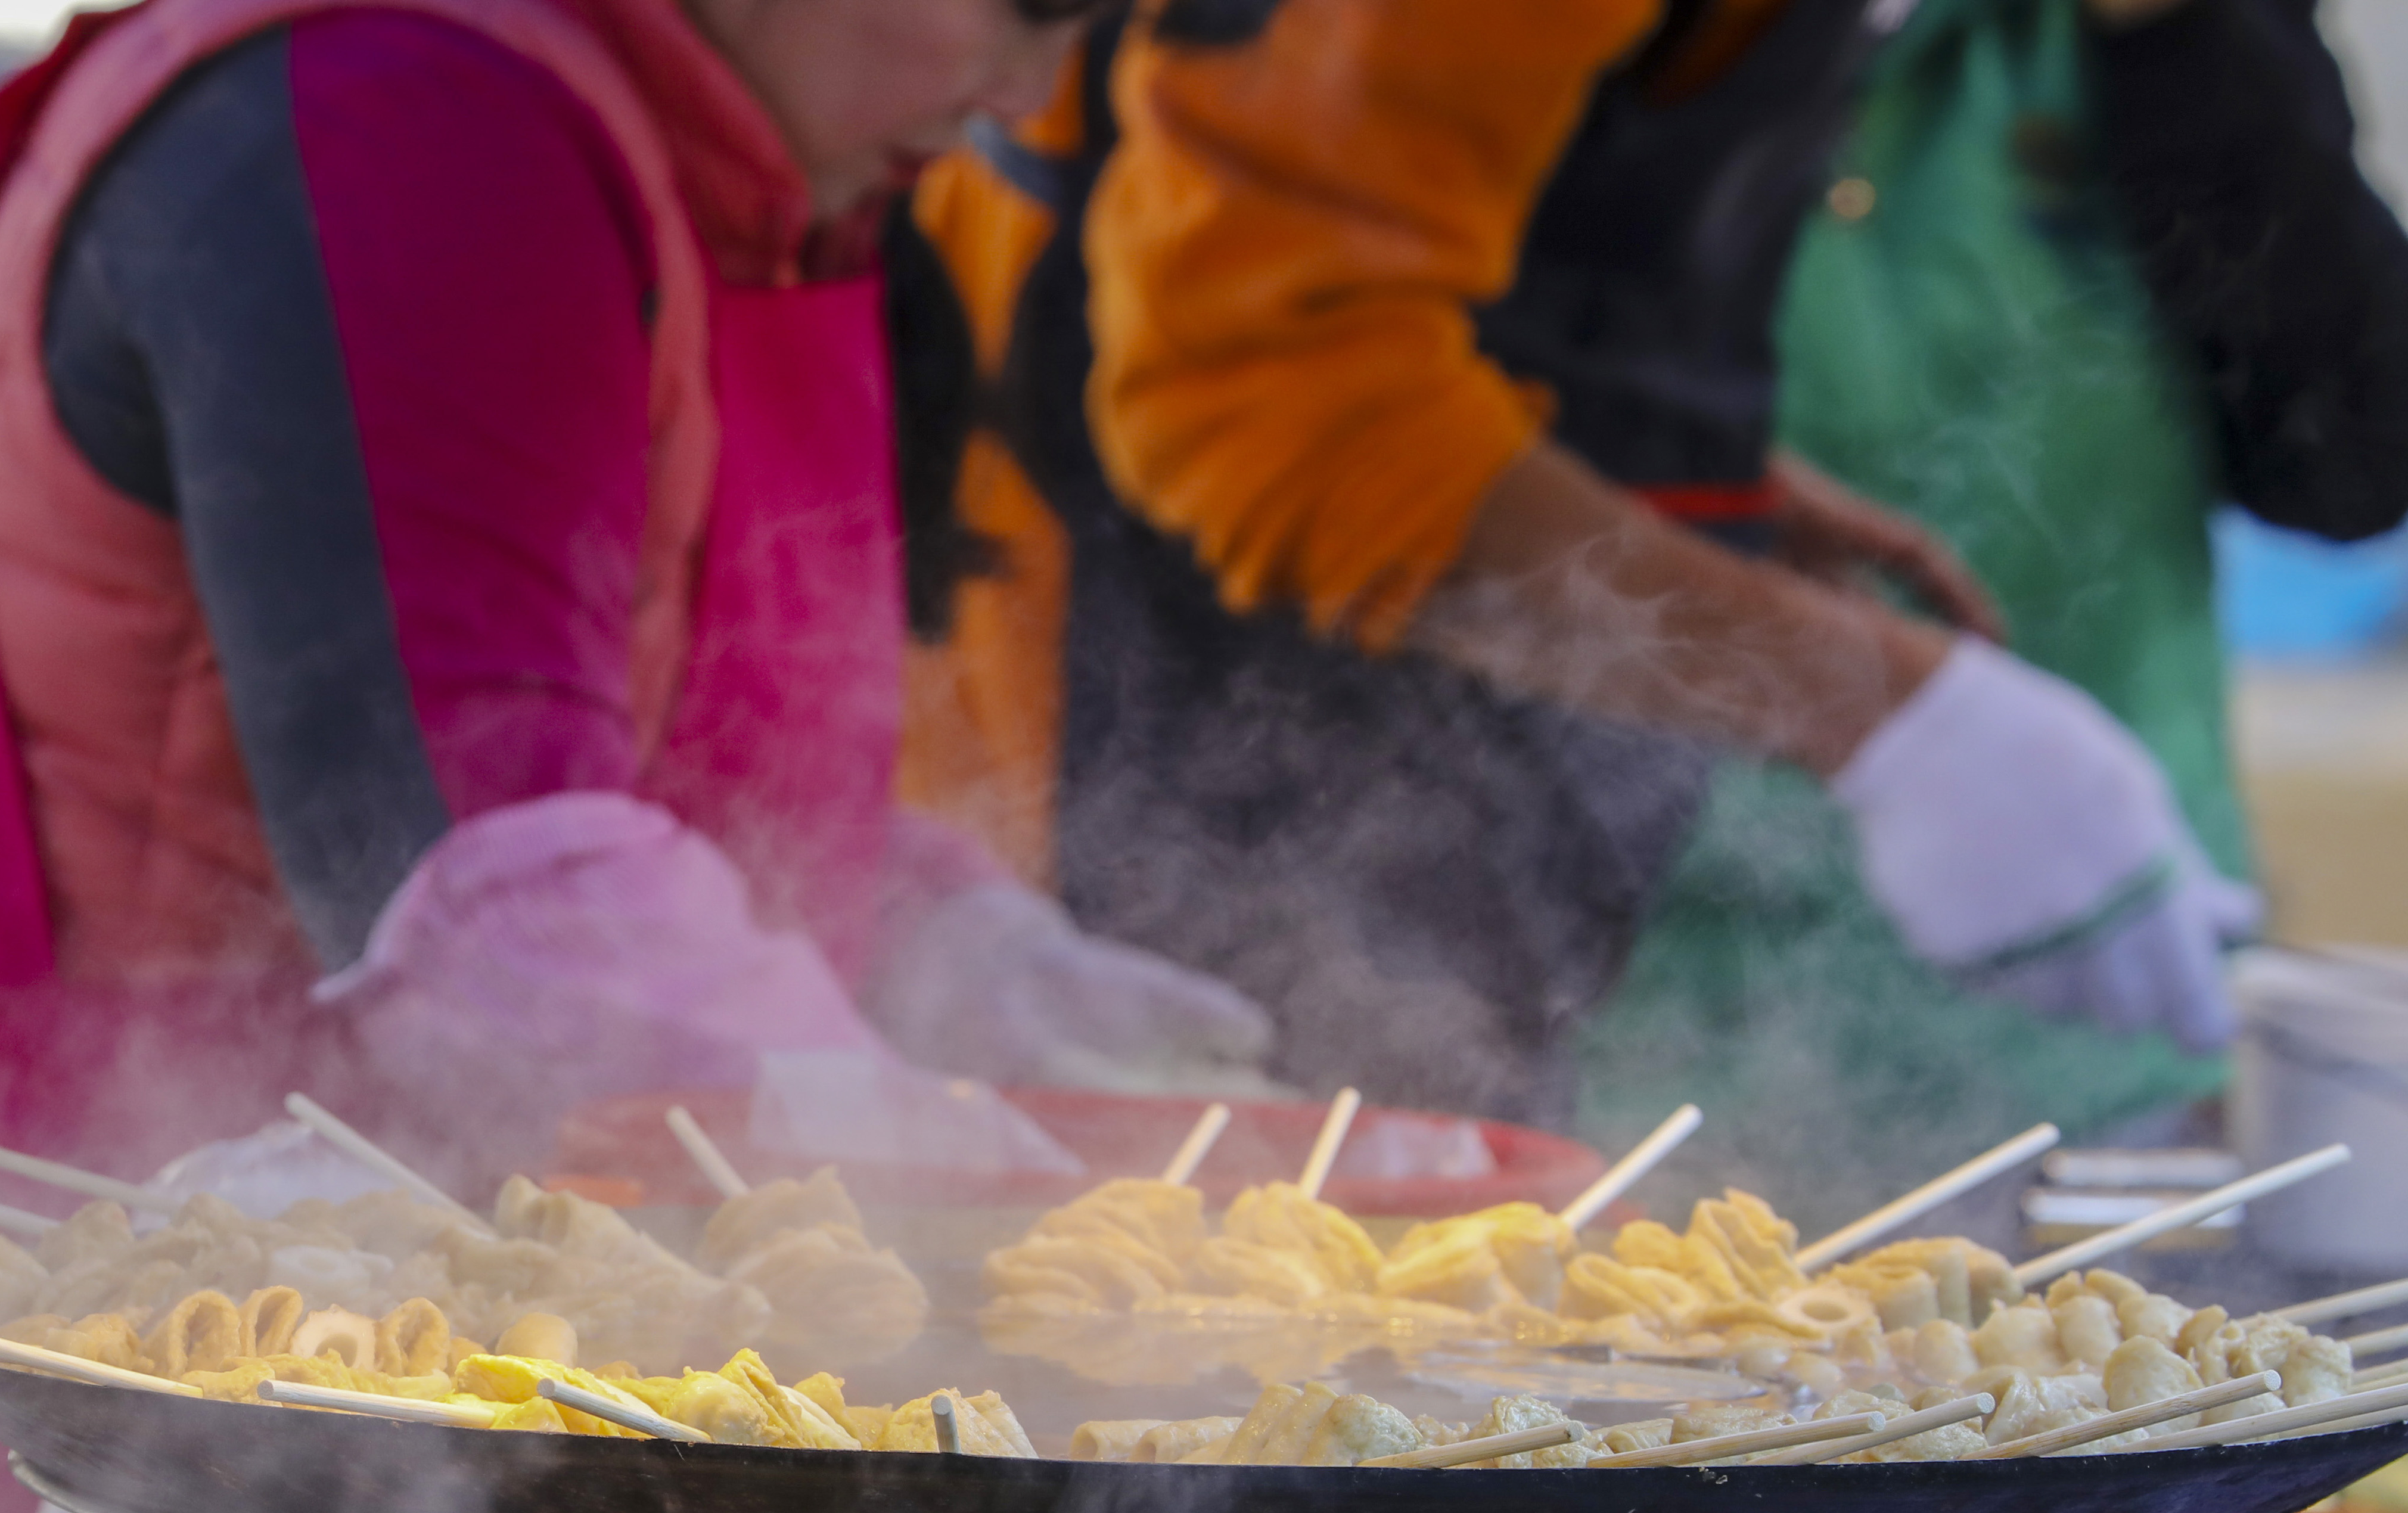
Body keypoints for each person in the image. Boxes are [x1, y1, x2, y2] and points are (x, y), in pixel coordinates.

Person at [0, 0, 1269, 1513]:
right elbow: (498, 910)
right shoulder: (407, 121)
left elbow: (658, 777)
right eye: (1023, 9)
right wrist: (944, 1207)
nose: (1031, 94)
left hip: (377, 1401)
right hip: (49, 1384)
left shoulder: (698, 165)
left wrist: (947, 952)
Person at [903, 0, 2250, 1127]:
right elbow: (1263, 387)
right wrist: (1885, 709)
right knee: (1236, 1355)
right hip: (1189, 726)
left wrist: (1682, 478)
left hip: (1472, 774)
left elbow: (1498, 221)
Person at [1576, 0, 2408, 1210]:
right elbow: (1432, 451)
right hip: (1619, 1048)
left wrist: (2184, 39)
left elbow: (2355, 459)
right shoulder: (1568, 42)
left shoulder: (2136, 39)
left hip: (2095, 1054)